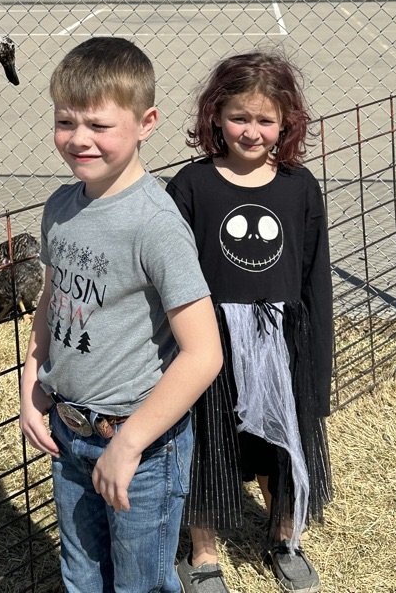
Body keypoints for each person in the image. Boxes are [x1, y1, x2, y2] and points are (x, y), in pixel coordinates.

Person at [20, 36, 223, 593]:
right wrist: (32, 384)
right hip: (69, 430)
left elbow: (204, 353)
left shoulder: (155, 224)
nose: (78, 139)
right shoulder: (61, 207)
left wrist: (129, 444)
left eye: (98, 125)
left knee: (142, 581)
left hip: (141, 445)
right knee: (82, 572)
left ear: (146, 122)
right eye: (66, 122)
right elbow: (53, 298)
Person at [166, 51, 334, 593]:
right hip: (209, 342)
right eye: (240, 117)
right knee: (207, 445)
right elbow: (173, 276)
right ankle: (204, 553)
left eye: (265, 120)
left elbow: (314, 277)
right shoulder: (191, 187)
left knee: (283, 448)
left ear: (286, 122)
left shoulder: (299, 187)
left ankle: (284, 537)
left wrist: (317, 361)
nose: (252, 131)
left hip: (280, 341)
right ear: (215, 115)